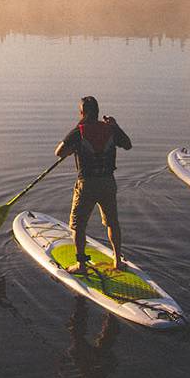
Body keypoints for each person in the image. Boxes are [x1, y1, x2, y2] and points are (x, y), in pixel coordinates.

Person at [54, 96, 132, 275]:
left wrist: (73, 147)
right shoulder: (110, 129)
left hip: (87, 184)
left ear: (82, 113)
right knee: (112, 223)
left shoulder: (78, 131)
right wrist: (116, 126)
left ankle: (81, 265)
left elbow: (59, 153)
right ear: (97, 112)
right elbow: (128, 145)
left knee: (78, 226)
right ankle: (118, 261)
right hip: (108, 183)